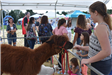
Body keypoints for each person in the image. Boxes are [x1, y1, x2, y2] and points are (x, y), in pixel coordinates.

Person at [74, 1, 112, 75]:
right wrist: (82, 48)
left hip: (100, 64)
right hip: (101, 63)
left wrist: (88, 60)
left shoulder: (100, 27)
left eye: (91, 14)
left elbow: (107, 51)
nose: (90, 17)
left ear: (96, 13)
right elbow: (98, 48)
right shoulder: (104, 26)